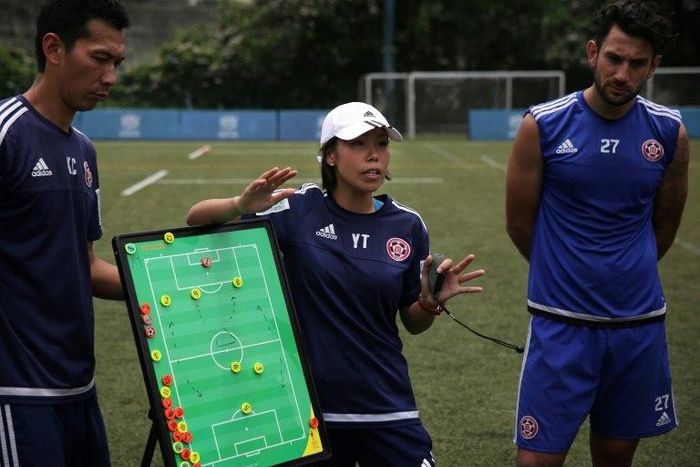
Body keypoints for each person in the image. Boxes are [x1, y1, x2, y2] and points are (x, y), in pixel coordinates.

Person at [187, 101, 486, 466]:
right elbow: (196, 220)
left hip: (387, 404)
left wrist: (428, 302)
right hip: (312, 409)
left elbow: (412, 323)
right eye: (358, 144)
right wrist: (239, 203)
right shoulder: (297, 208)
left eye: (381, 144)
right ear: (329, 155)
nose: (373, 156)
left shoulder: (408, 225)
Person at [505, 1, 690, 466]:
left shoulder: (669, 133)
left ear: (654, 66)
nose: (622, 73)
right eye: (614, 58)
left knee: (614, 455)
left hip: (637, 326)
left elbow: (664, 227)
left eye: (637, 63)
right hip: (561, 322)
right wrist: (565, 269)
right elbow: (519, 223)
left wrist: (626, 270)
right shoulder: (542, 125)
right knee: (537, 461)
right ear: (593, 53)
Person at [0, 1, 129, 465]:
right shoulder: (6, 134)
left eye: (117, 63)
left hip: (78, 387)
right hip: (15, 392)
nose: (111, 77)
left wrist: (166, 289)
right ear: (53, 48)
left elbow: (85, 265)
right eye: (99, 59)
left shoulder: (84, 150)